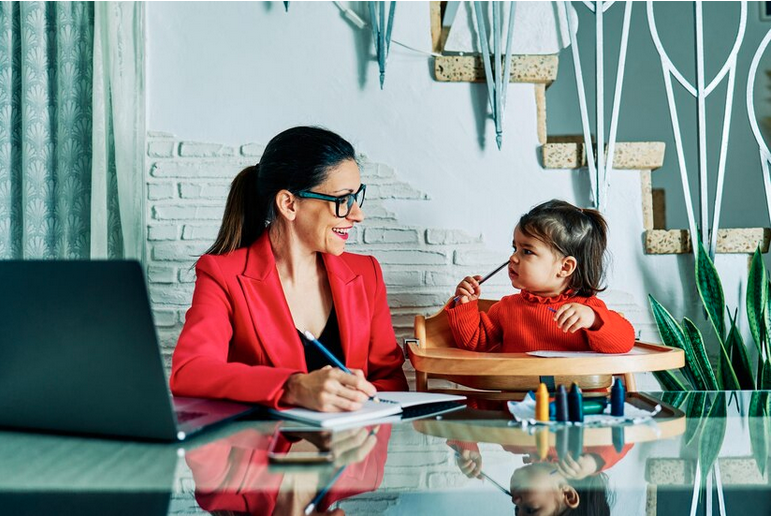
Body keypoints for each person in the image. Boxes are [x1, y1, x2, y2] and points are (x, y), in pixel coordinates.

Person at [170, 126, 408, 412]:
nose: (357, 214)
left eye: (356, 198)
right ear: (289, 204)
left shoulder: (366, 273)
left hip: (350, 450)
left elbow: (390, 379)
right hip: (263, 451)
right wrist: (293, 387)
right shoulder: (223, 275)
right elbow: (190, 372)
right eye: (342, 200)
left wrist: (357, 402)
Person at [446, 199, 635, 354]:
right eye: (515, 248)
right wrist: (464, 305)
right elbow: (474, 344)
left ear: (565, 267)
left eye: (527, 251)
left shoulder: (586, 310)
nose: (513, 257)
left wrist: (594, 320)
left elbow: (624, 343)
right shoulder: (505, 309)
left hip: (575, 399)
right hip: (517, 398)